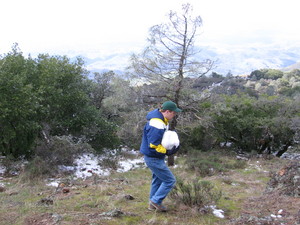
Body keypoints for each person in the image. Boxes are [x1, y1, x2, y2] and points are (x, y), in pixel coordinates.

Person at [140, 100, 182, 212]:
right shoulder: (157, 123)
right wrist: (167, 152)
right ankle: (156, 201)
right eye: (173, 113)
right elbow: (153, 144)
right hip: (153, 157)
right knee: (170, 180)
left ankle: (152, 205)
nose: (174, 115)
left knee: (158, 180)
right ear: (167, 111)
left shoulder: (162, 120)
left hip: (155, 157)